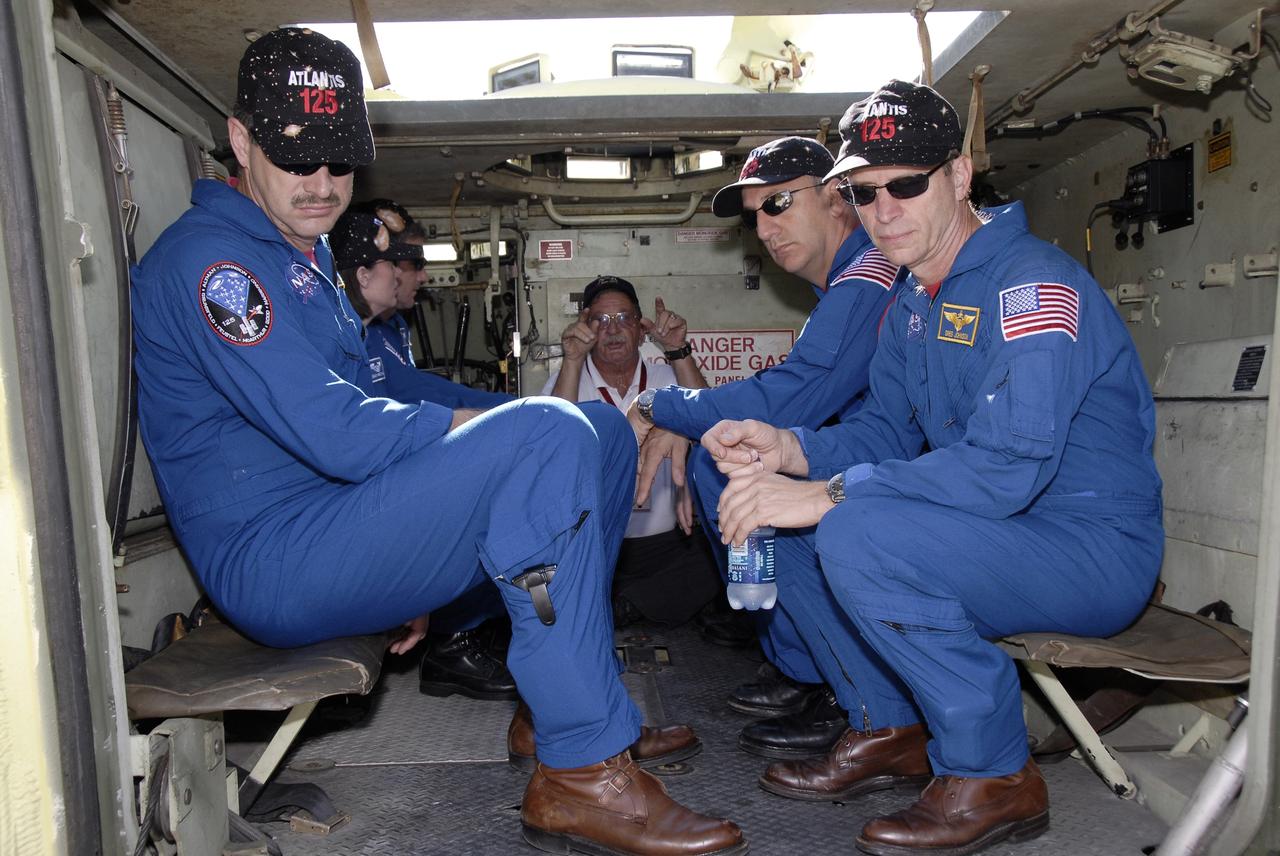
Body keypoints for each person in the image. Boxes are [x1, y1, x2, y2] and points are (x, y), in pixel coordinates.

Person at [130, 27, 744, 856]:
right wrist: (481, 441)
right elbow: (339, 434)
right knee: (549, 433)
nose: (320, 185)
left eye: (339, 164)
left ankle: (557, 702)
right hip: (275, 557)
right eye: (295, 158)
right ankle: (583, 772)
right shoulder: (216, 265)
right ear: (240, 140)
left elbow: (368, 422)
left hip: (337, 525)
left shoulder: (300, 260)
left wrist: (406, 541)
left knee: (598, 431)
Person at [699, 79, 1163, 856]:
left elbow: (1004, 469)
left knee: (855, 530)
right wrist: (789, 451)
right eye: (864, 192)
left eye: (906, 186)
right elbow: (883, 429)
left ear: (958, 176)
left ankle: (992, 775)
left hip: (1089, 548)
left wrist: (831, 491)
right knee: (786, 517)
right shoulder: (916, 301)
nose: (883, 212)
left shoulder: (1032, 288)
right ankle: (890, 727)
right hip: (1003, 532)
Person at [627, 136, 900, 760]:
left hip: (897, 471)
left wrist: (657, 406)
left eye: (778, 204)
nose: (766, 228)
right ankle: (804, 664)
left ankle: (843, 685)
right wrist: (696, 424)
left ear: (837, 198)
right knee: (720, 459)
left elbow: (789, 398)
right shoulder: (844, 285)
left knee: (731, 473)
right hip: (866, 451)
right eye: (756, 217)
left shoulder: (867, 278)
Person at [330, 208, 519, 700]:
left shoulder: (378, 329)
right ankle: (452, 640)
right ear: (365, 272)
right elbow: (404, 399)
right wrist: (522, 412)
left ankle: (467, 630)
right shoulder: (346, 334)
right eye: (401, 261)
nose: (409, 273)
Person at [542, 276, 719, 627]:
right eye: (600, 320)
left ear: (641, 329)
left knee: (720, 555)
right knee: (555, 565)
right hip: (596, 540)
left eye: (624, 318)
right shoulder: (567, 380)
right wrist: (573, 361)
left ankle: (623, 604)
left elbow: (715, 421)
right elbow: (549, 448)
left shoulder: (668, 375)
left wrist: (677, 350)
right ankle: (642, 602)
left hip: (666, 542)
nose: (613, 330)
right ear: (585, 328)